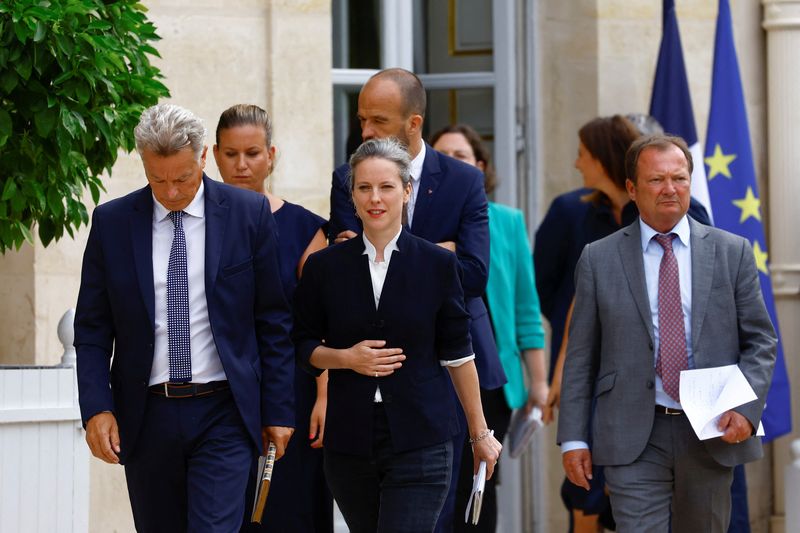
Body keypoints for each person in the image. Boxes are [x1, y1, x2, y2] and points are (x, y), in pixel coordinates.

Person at [74, 103, 295, 532]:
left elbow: (273, 320)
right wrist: (97, 407)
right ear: (143, 164)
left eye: (183, 178)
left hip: (225, 412)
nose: (171, 192)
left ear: (203, 158)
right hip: (146, 415)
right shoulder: (112, 223)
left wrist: (278, 409)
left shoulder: (248, 216)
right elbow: (93, 328)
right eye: (157, 179)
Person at [557, 134, 777, 532]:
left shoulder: (732, 252)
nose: (670, 189)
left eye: (679, 178)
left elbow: (761, 340)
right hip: (631, 432)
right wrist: (573, 438)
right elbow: (581, 356)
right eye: (657, 180)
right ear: (631, 188)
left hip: (710, 430)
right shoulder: (598, 258)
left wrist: (747, 408)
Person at [328, 68, 506, 531]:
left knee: (462, 517)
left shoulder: (463, 181)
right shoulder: (347, 177)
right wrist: (435, 253)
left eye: (378, 121)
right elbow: (352, 274)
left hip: (453, 362)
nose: (365, 131)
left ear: (413, 123)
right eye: (362, 118)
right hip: (377, 373)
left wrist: (403, 257)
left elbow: (473, 273)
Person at [213, 104, 332, 533]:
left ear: (272, 155)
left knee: (288, 511)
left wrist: (323, 395)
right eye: (231, 154)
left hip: (291, 393)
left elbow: (322, 322)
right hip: (219, 393)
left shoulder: (305, 229)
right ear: (213, 154)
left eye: (253, 153)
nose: (242, 165)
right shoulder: (195, 222)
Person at [430, 124, 549, 533]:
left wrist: (538, 382)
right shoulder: (419, 217)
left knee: (482, 481)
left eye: (460, 156)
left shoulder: (507, 221)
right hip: (433, 370)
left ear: (479, 167)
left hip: (491, 374)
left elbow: (525, 306)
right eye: (441, 155)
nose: (450, 163)